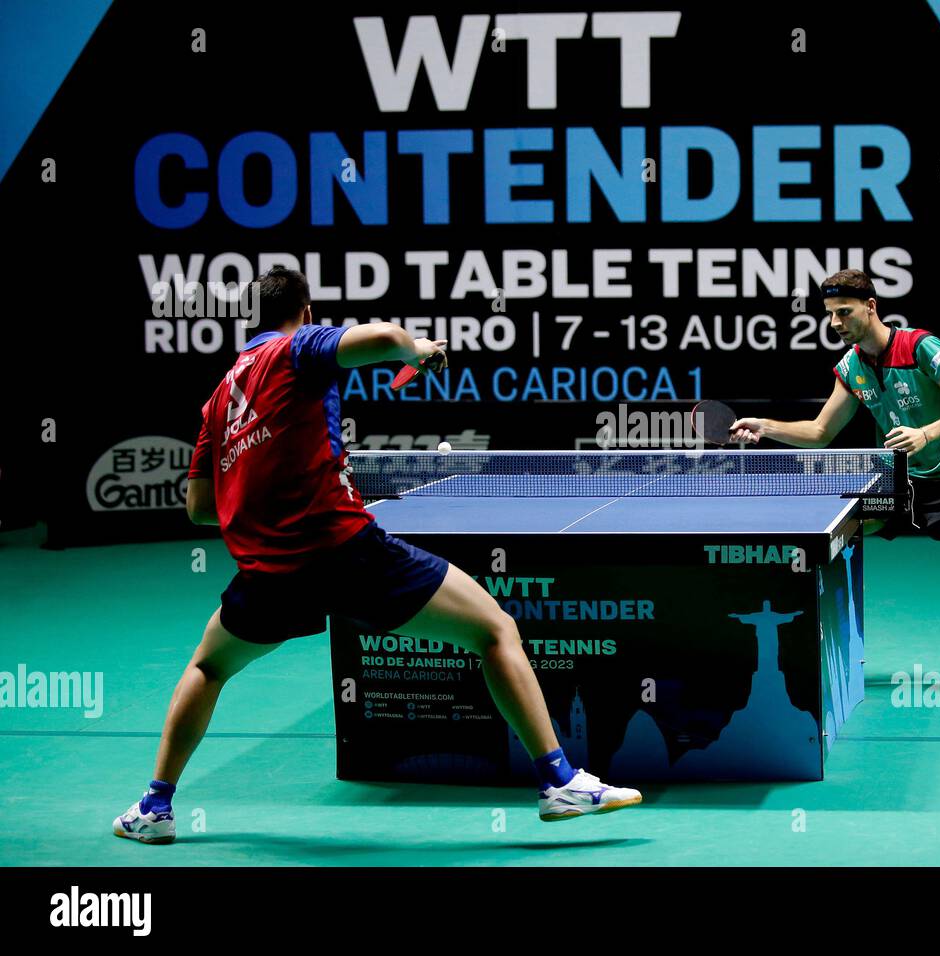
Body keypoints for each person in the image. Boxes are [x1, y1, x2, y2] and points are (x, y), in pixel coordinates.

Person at [113, 268, 641, 844]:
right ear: (307, 311)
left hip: (269, 574)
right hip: (344, 552)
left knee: (207, 666)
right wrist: (420, 351)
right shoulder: (298, 348)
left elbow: (199, 508)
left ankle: (154, 807)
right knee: (495, 629)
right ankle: (558, 782)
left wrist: (263, 496)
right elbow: (386, 338)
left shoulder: (218, 399)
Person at [731, 269, 940, 692]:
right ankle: (812, 653)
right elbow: (821, 433)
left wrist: (928, 432)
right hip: (893, 485)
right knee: (814, 548)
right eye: (830, 315)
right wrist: (766, 426)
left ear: (871, 307)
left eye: (845, 312)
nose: (837, 323)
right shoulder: (851, 367)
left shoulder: (920, 347)